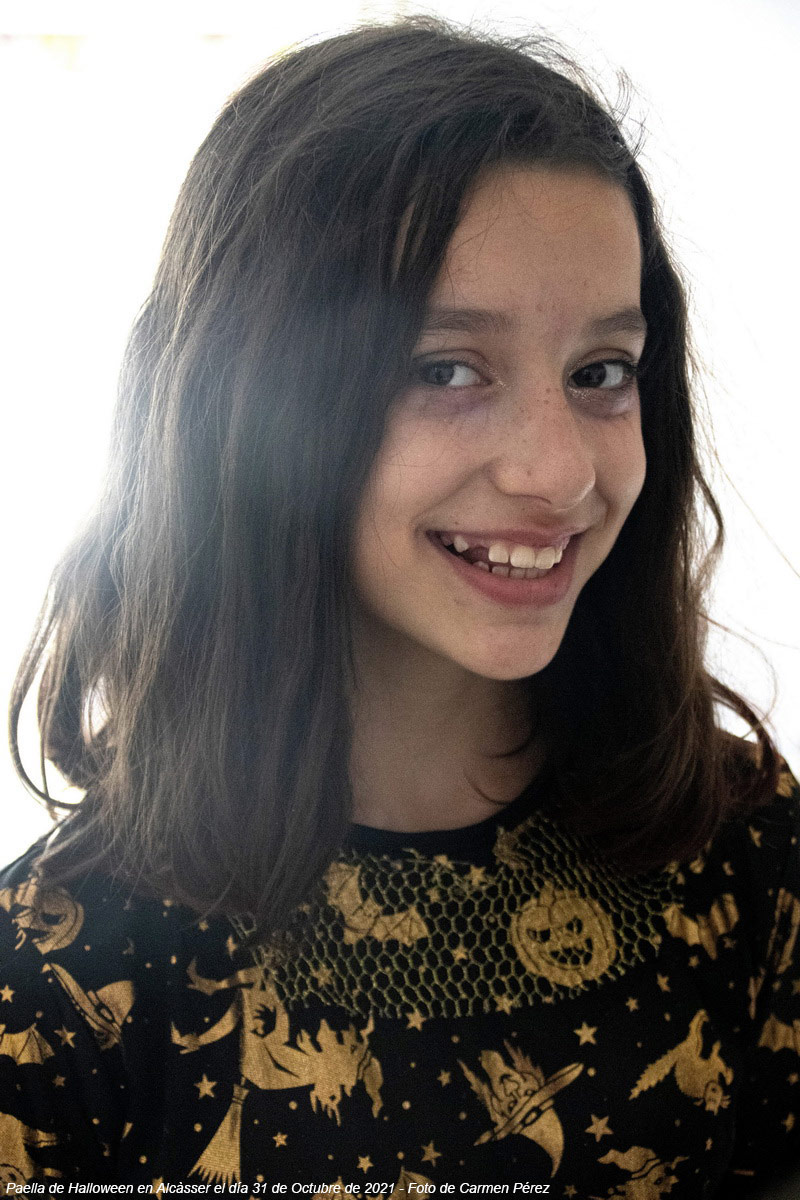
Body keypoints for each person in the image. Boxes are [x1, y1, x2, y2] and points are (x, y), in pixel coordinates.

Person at [1, 17, 798, 1196]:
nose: (559, 472)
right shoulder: (55, 982)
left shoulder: (742, 843)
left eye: (600, 373)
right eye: (445, 369)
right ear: (251, 400)